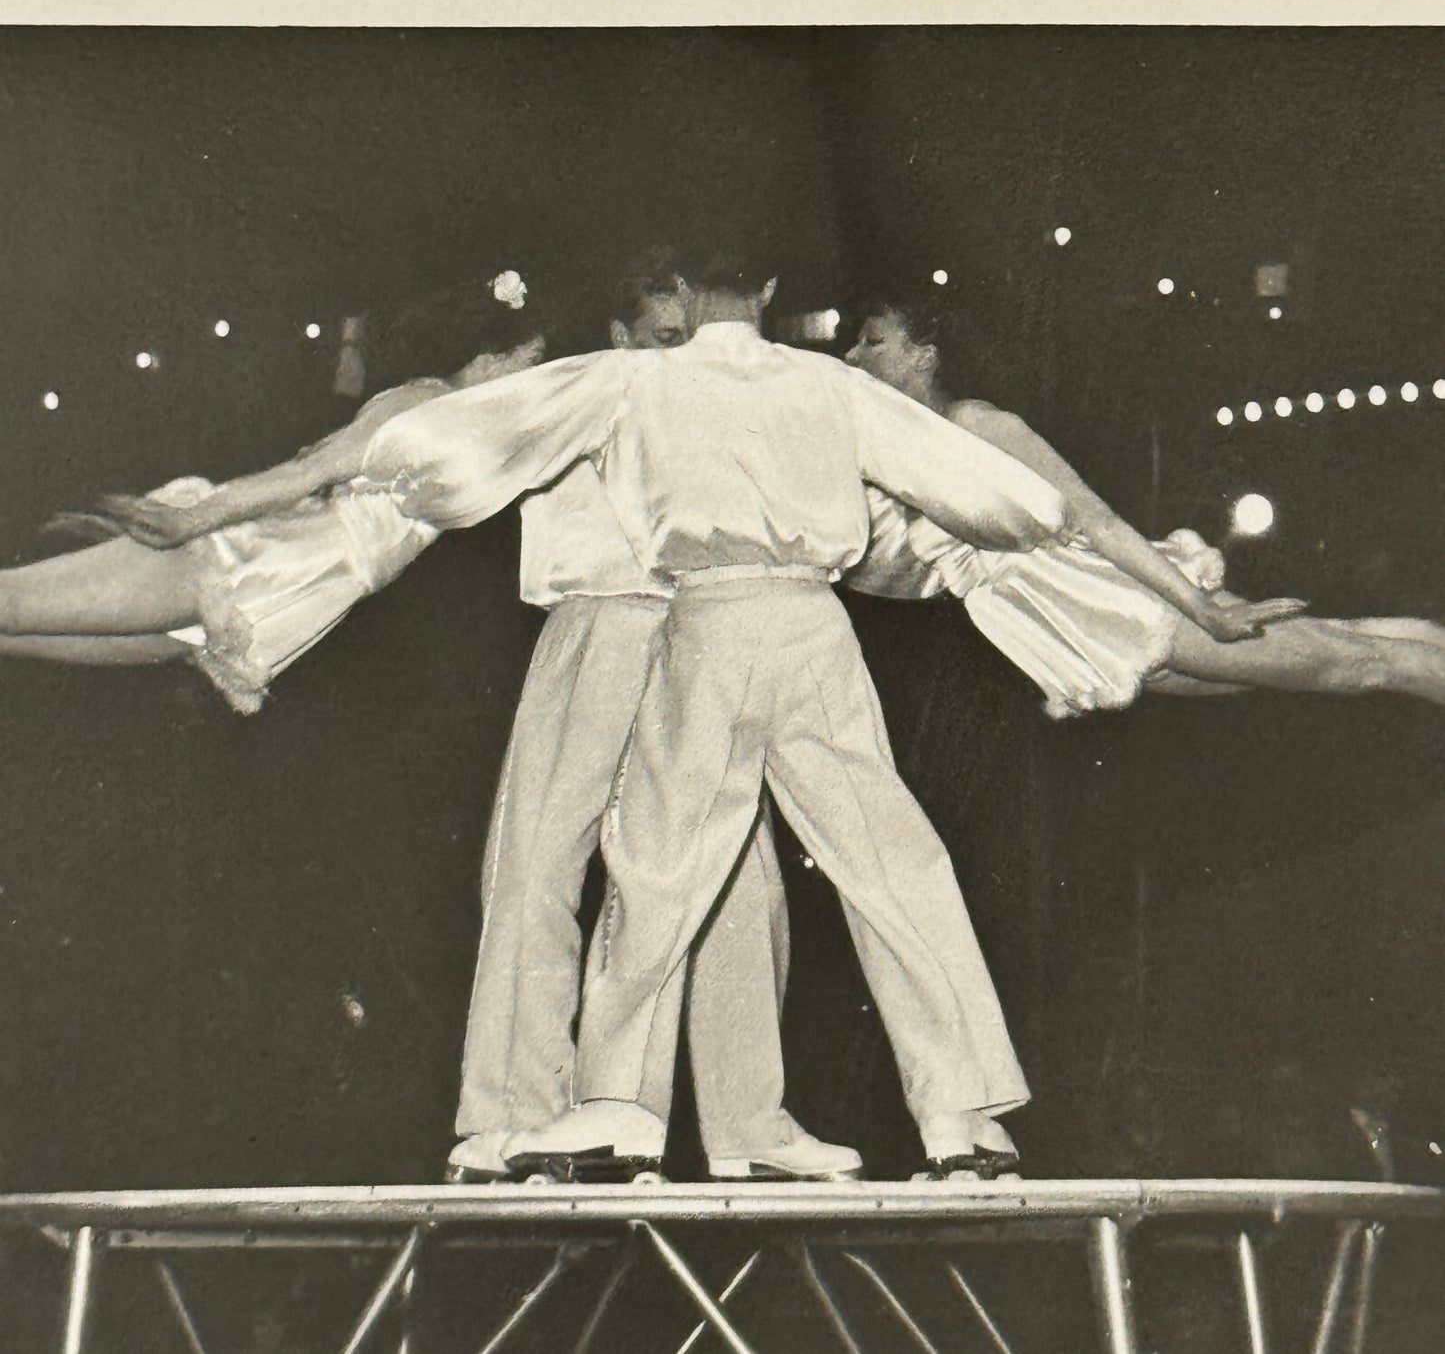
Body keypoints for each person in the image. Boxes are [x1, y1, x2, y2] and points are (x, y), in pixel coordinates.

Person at [362, 248, 1070, 1179]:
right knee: (887, 854)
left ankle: (633, 1108)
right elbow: (1012, 500)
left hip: (703, 618)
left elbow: (443, 456)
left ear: (689, 292)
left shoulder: (632, 381)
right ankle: (963, 1112)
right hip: (795, 625)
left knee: (664, 863)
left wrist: (390, 468)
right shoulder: (824, 382)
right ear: (771, 290)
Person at [446, 251, 859, 1184]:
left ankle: (748, 1122)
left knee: (732, 876)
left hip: (706, 626)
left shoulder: (714, 401)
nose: (684, 358)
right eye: (666, 340)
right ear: (622, 338)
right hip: (602, 616)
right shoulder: (595, 390)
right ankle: (510, 1113)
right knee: (539, 857)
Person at [845, 291, 1445, 716]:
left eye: (874, 342)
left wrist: (1203, 612)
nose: (853, 357)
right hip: (1086, 631)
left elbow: (1098, 521)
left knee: (1354, 666)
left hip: (1123, 601)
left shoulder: (981, 424)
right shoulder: (903, 456)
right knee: (1335, 649)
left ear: (925, 355)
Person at [0, 275, 546, 711]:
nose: (536, 379)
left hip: (305, 581)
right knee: (10, 606)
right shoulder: (419, 405)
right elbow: (306, 472)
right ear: (489, 358)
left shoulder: (464, 425)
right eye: (531, 362)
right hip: (254, 559)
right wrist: (195, 520)